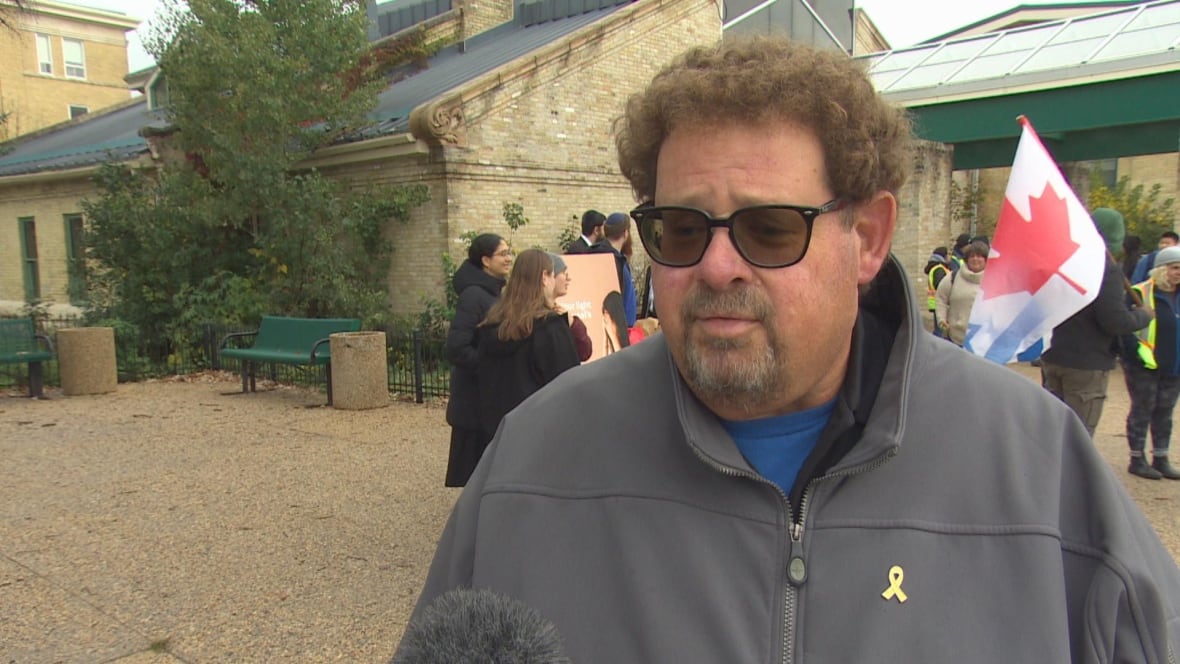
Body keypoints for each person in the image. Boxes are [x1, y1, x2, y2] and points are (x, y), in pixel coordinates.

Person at [401, 37, 1180, 662]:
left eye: (769, 228)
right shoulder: (535, 465)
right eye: (681, 229)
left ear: (868, 237)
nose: (715, 265)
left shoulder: (1040, 470)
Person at [1040, 207, 1153, 437]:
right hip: (1087, 363)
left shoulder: (1065, 261)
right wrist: (1144, 315)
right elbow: (1115, 321)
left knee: (1052, 432)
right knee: (1078, 438)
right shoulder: (1105, 269)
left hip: (1054, 355)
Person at [476, 249, 580, 439]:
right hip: (540, 435)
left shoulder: (492, 324)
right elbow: (568, 386)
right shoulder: (550, 328)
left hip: (498, 433)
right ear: (544, 277)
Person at [441, 234, 512, 487]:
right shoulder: (473, 295)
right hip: (474, 401)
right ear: (485, 260)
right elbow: (457, 347)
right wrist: (490, 367)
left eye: (508, 252)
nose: (508, 258)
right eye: (502, 254)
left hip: (488, 399)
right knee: (476, 476)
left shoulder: (494, 292)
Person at [1124, 245, 1180, 479]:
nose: (1179, 273)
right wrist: (1135, 355)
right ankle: (1137, 459)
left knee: (1165, 412)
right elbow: (1125, 329)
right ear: (1160, 269)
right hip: (1144, 364)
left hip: (1174, 365)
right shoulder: (1139, 292)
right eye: (1175, 268)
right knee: (1143, 409)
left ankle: (1161, 458)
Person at [933, 240, 987, 345]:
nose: (975, 259)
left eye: (979, 256)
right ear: (966, 259)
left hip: (984, 343)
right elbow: (941, 298)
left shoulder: (996, 279)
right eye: (972, 256)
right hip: (956, 340)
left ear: (985, 259)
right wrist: (941, 319)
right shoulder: (953, 278)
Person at [548, 252, 592, 362]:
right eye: (563, 272)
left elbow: (585, 351)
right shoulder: (548, 318)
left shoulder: (561, 314)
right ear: (548, 277)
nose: (568, 278)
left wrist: (573, 323)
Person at [597, 212, 638, 326]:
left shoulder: (591, 255)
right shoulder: (620, 264)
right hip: (618, 330)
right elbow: (628, 308)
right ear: (625, 233)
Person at [923, 246, 951, 335]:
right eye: (948, 255)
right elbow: (940, 285)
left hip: (935, 302)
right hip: (940, 302)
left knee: (939, 329)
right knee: (940, 331)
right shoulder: (939, 269)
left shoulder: (935, 268)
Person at [600, 290, 629, 355]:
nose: (607, 323)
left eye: (607, 313)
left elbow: (623, 363)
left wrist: (614, 337)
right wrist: (605, 338)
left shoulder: (634, 335)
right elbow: (604, 363)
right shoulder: (611, 343)